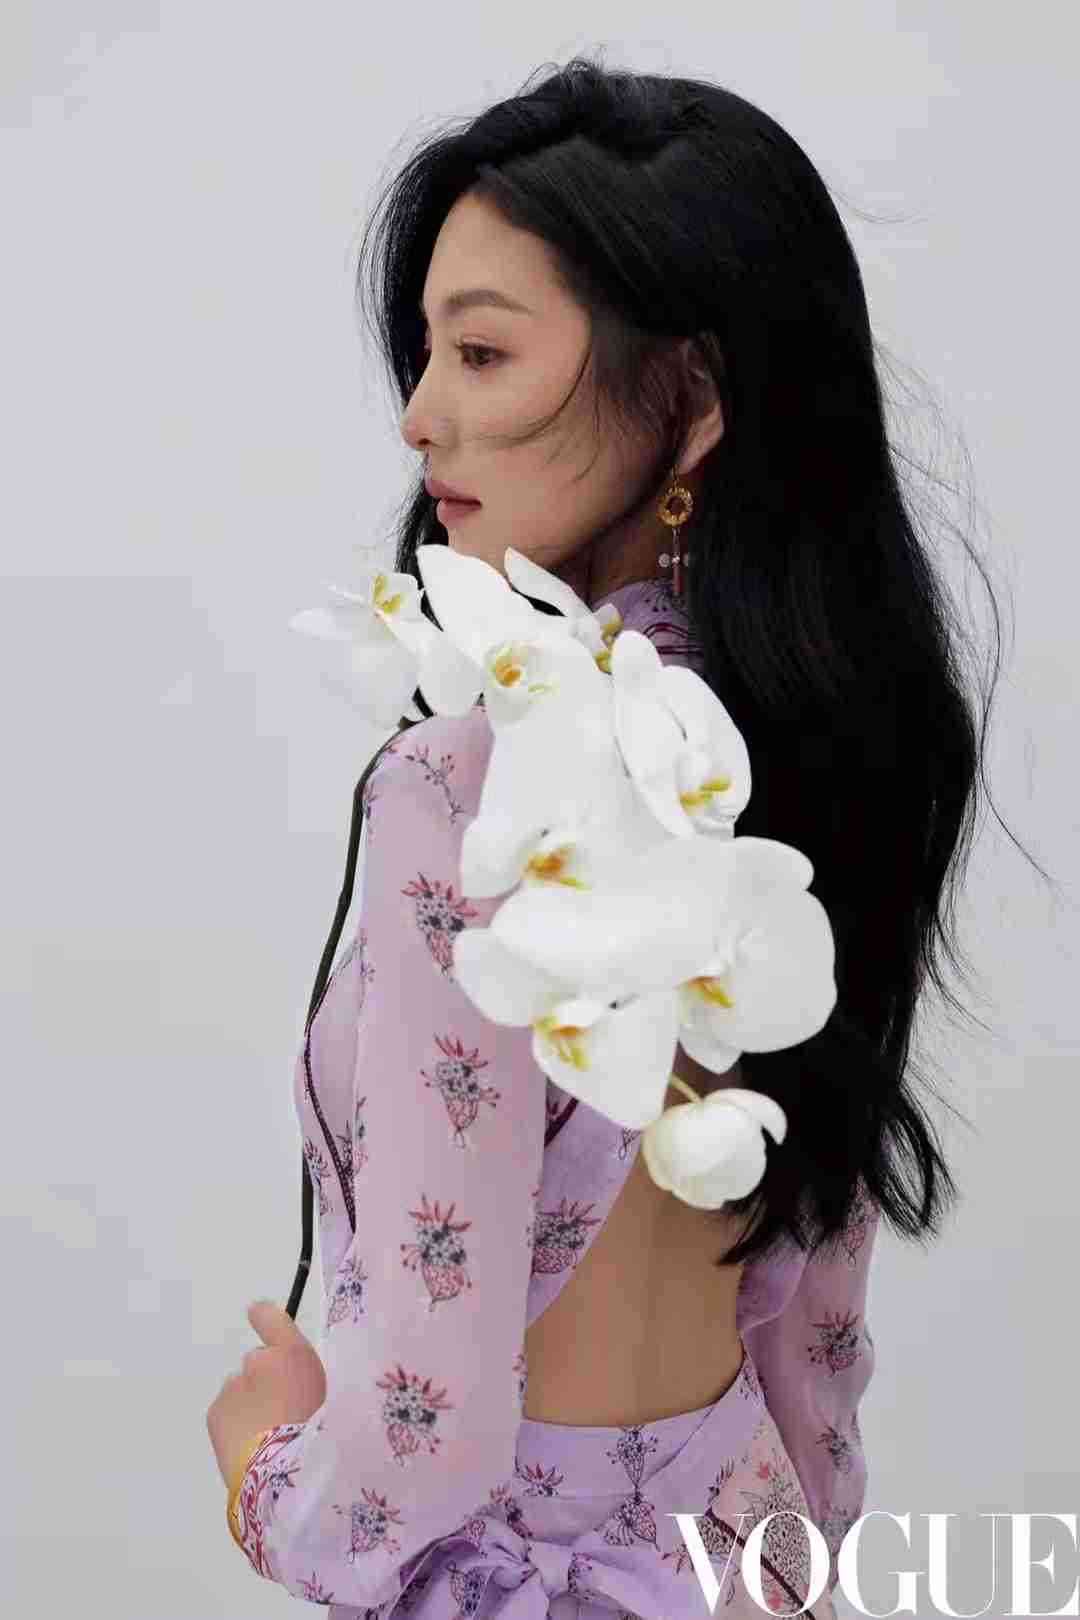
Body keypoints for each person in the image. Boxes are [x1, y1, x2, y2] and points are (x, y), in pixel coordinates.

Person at [210, 54, 1021, 1618]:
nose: (420, 417)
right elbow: (817, 1327)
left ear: (692, 402)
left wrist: (267, 1474)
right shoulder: (830, 746)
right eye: (426, 354)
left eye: (481, 353)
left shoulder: (465, 788)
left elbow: (430, 1436)